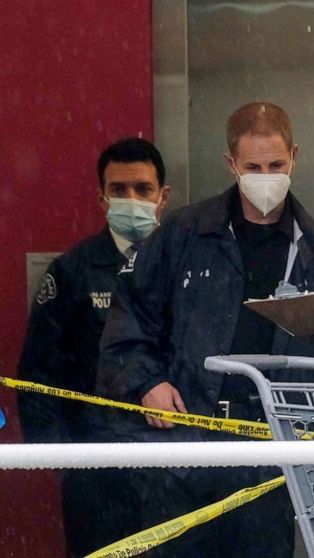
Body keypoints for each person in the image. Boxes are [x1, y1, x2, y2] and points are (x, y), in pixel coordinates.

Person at [96, 102, 314, 557]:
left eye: (276, 165)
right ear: (231, 164)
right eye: (253, 166)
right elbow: (127, 323)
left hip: (273, 456)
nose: (266, 176)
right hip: (186, 446)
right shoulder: (183, 235)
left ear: (295, 156)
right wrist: (148, 383)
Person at [17, 137, 170, 557]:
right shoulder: (73, 271)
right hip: (96, 469)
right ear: (101, 198)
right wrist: (64, 462)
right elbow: (36, 375)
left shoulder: (187, 267)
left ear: (164, 197)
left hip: (176, 467)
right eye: (118, 190)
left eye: (143, 189)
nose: (131, 199)